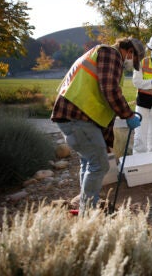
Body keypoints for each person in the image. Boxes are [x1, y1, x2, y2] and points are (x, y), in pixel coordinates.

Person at [51, 37, 145, 214]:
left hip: (72, 115)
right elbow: (110, 90)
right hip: (77, 116)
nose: (132, 64)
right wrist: (128, 115)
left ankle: (85, 204)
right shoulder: (111, 54)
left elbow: (103, 100)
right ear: (130, 51)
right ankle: (88, 211)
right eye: (134, 60)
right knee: (100, 164)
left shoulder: (100, 53)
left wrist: (107, 139)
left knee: (89, 161)